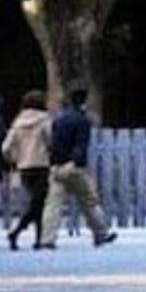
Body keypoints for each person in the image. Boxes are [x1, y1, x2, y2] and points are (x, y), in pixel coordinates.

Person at [37, 88, 116, 249]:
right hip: (74, 168)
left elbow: (54, 144)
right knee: (89, 201)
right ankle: (100, 233)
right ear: (84, 103)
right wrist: (75, 161)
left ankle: (47, 238)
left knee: (53, 204)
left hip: (57, 166)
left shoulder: (58, 120)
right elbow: (81, 146)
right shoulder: (82, 121)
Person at [3, 91, 52, 251]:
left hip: (24, 168)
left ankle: (38, 239)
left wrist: (15, 159)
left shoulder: (18, 122)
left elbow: (5, 148)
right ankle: (16, 232)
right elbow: (51, 140)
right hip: (41, 166)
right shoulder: (45, 120)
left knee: (37, 203)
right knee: (39, 204)